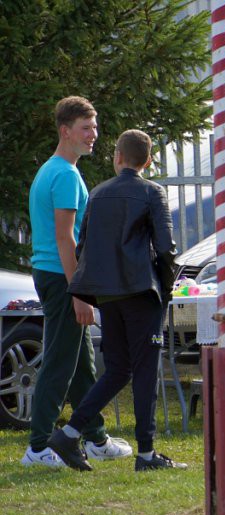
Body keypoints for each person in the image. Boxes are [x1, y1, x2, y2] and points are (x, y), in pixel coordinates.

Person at [45, 129, 183, 472]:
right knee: (146, 370)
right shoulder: (153, 192)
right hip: (140, 291)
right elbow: (166, 248)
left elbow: (84, 245)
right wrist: (164, 288)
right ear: (148, 161)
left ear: (116, 157)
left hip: (107, 293)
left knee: (118, 369)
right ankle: (147, 454)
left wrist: (89, 289)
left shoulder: (98, 192)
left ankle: (70, 432)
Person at [22, 96, 133, 468]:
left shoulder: (53, 170)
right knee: (59, 361)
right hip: (61, 277)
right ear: (65, 130)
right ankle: (38, 447)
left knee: (82, 362)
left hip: (56, 275)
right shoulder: (65, 175)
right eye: (86, 128)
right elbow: (64, 238)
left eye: (95, 127)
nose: (94, 135)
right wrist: (79, 292)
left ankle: (95, 437)